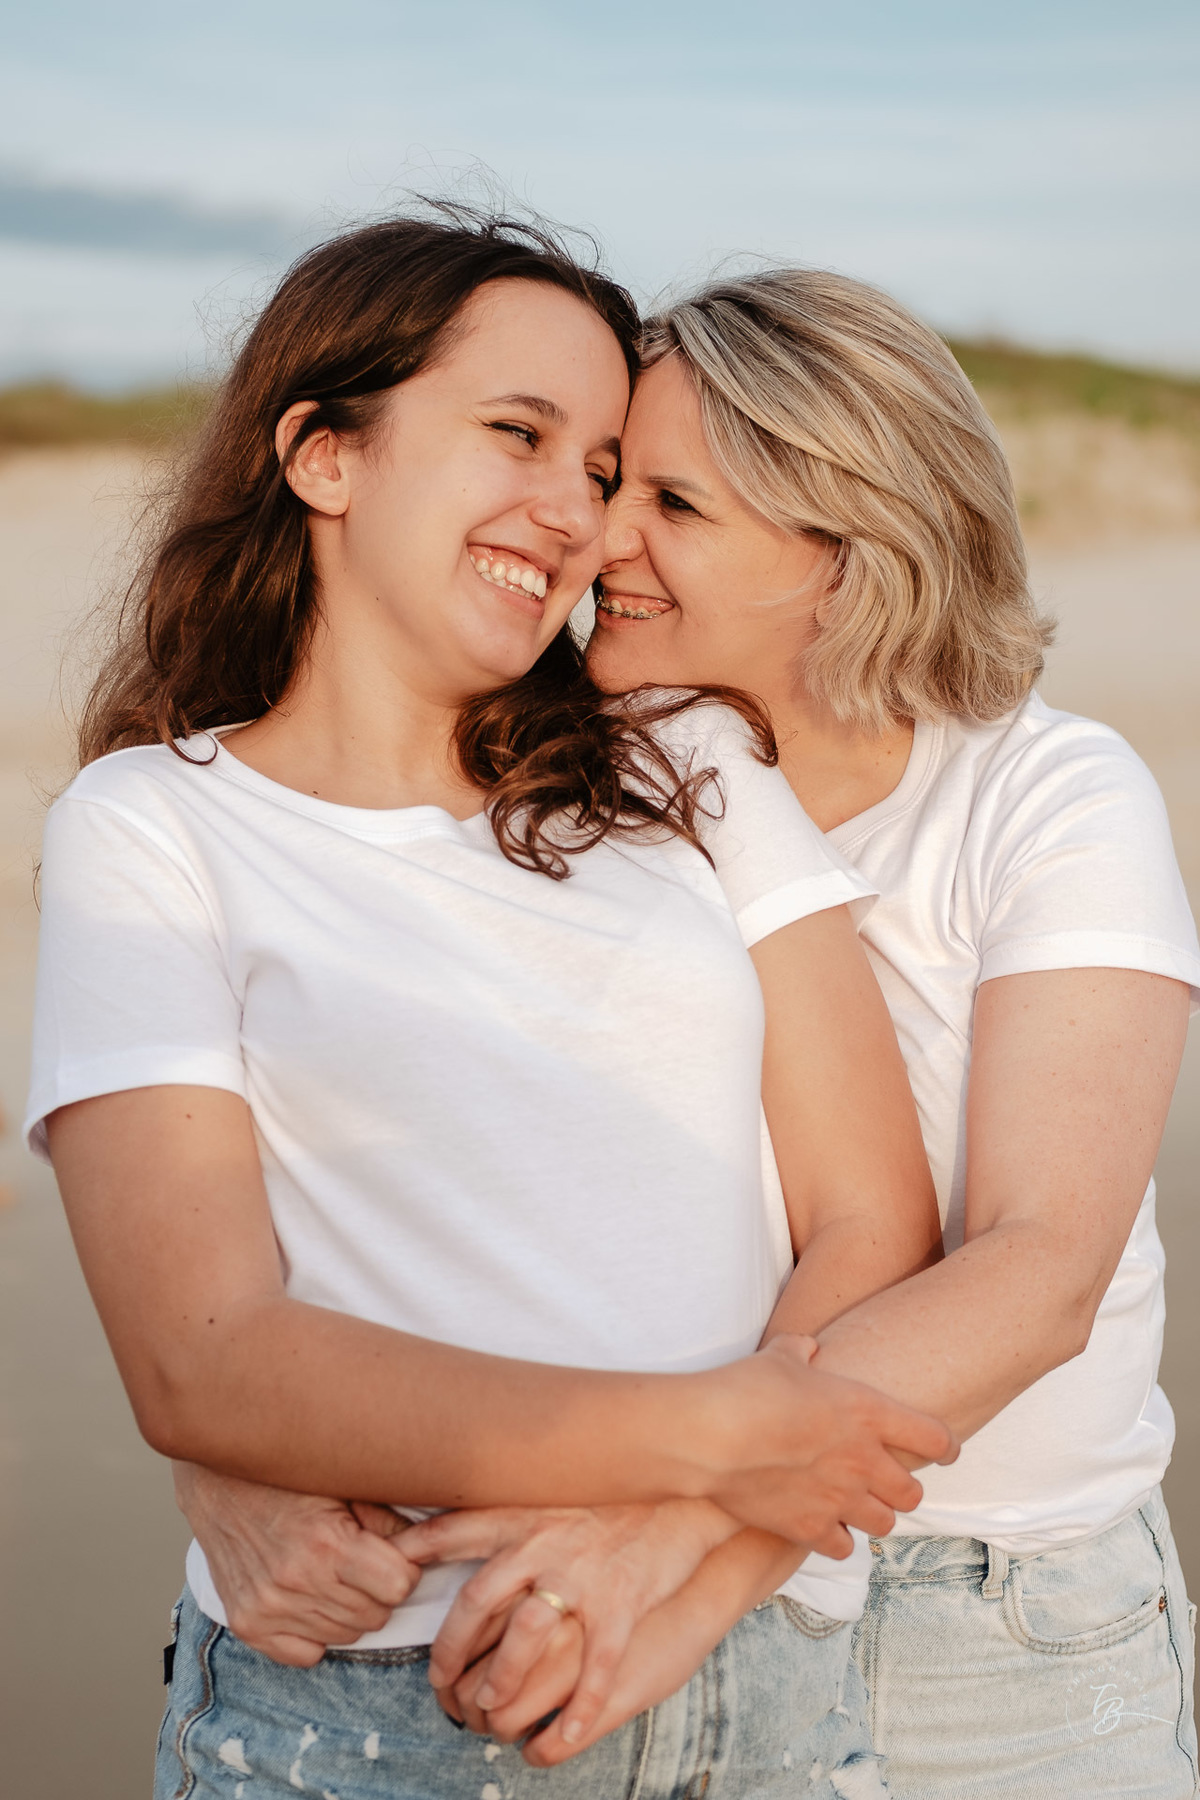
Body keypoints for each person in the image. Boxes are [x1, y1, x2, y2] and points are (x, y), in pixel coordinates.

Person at [193, 262, 1200, 1799]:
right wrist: (219, 1466)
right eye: (614, 484)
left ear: (849, 555)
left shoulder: (1047, 797)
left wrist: (680, 1523)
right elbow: (320, 1149)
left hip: (991, 1614)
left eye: (673, 504)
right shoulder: (570, 775)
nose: (601, 539)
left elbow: (1041, 1266)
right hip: (623, 1582)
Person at [26, 212, 954, 1800]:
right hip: (379, 1702)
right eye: (518, 435)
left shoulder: (687, 763)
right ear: (324, 455)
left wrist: (671, 1523)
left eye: (601, 468)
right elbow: (204, 1360)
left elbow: (873, 1215)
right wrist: (719, 1434)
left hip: (750, 1671)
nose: (577, 516)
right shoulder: (155, 826)